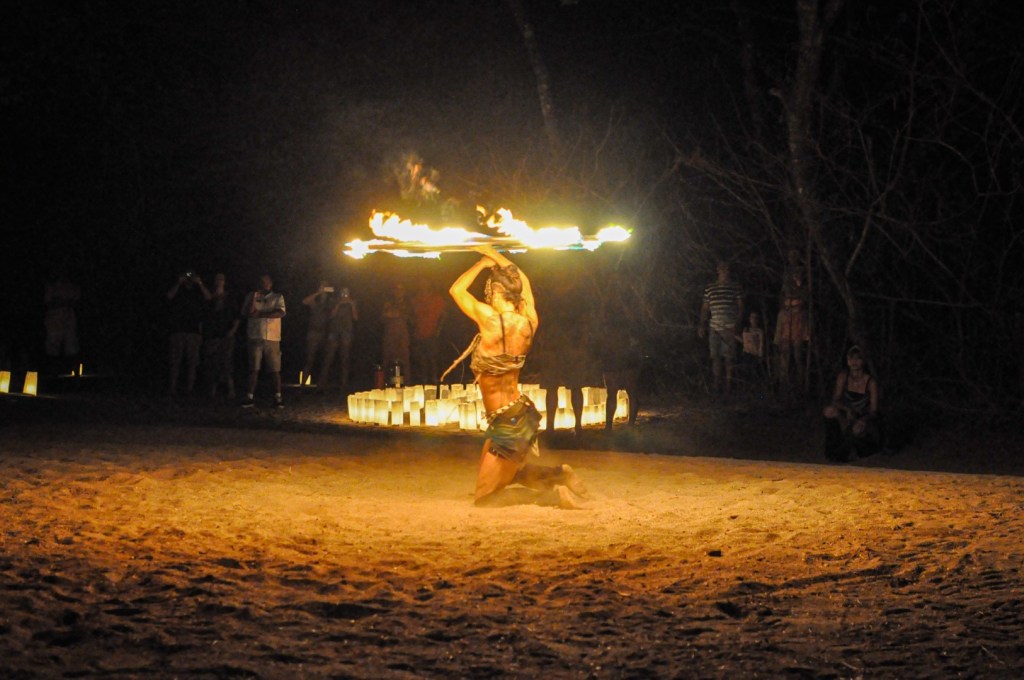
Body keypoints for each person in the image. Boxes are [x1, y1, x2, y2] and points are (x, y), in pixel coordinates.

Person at [445, 245, 588, 509]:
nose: (487, 295)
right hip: (519, 413)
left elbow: (456, 290)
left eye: (489, 290)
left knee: (485, 499)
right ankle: (558, 474)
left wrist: (482, 262)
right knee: (508, 473)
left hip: (508, 422)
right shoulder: (530, 321)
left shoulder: (489, 319)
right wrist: (495, 255)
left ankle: (552, 496)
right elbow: (525, 280)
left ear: (496, 291)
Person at [823, 345, 882, 461]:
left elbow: (874, 411)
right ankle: (831, 450)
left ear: (863, 361)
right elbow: (835, 399)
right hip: (847, 414)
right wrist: (847, 409)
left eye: (858, 358)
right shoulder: (843, 377)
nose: (854, 362)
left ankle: (847, 454)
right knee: (829, 411)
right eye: (851, 358)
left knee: (857, 428)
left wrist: (863, 419)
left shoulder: (870, 382)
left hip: (863, 417)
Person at [698, 261, 744, 395]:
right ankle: (716, 386)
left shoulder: (735, 287)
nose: (724, 270)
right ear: (717, 270)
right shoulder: (710, 288)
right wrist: (702, 324)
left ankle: (729, 387)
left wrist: (737, 324)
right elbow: (705, 308)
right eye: (721, 268)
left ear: (729, 270)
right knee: (716, 357)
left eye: (726, 268)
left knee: (729, 358)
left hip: (730, 327)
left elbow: (741, 307)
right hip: (714, 327)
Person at [241, 274, 286, 408]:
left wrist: (261, 314)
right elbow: (246, 312)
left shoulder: (277, 297)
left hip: (272, 337)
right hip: (255, 336)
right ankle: (249, 397)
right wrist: (254, 296)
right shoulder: (251, 296)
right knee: (253, 368)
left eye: (266, 282)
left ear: (271, 284)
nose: (263, 284)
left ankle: (278, 397)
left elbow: (280, 312)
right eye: (261, 282)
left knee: (275, 369)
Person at [166, 271, 211, 396]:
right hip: (178, 330)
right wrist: (178, 283)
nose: (189, 278)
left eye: (191, 276)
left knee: (192, 362)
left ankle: (189, 388)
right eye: (187, 276)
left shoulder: (198, 291)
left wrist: (200, 283)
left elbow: (208, 297)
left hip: (193, 331)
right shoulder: (179, 289)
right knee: (175, 361)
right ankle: (172, 387)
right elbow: (169, 296)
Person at [774, 248, 810, 393]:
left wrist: (799, 283)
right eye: (790, 255)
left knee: (797, 352)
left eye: (794, 254)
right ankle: (784, 384)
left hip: (797, 314)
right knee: (784, 351)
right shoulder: (786, 272)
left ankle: (801, 385)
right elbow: (783, 293)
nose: (792, 258)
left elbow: (805, 295)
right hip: (786, 313)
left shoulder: (803, 272)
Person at [202, 272, 240, 398]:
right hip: (213, 334)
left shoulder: (230, 298)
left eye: (221, 279)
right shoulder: (210, 298)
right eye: (217, 279)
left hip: (226, 334)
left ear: (224, 281)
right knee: (213, 362)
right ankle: (212, 390)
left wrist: (233, 330)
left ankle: (230, 389)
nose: (219, 281)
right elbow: (205, 314)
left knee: (226, 361)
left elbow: (236, 315)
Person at [320, 286, 359, 391]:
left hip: (346, 332)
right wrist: (339, 304)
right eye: (343, 292)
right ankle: (322, 383)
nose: (345, 294)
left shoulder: (353, 302)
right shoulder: (334, 301)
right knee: (328, 358)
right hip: (334, 332)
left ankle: (344, 385)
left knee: (345, 358)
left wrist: (351, 304)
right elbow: (331, 316)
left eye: (347, 292)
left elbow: (356, 317)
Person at [43, 272, 81, 376]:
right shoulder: (52, 286)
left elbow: (76, 300)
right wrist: (63, 302)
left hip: (68, 319)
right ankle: (53, 372)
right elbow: (48, 302)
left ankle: (74, 373)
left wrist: (62, 302)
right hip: (54, 320)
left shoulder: (71, 286)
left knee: (71, 346)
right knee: (53, 346)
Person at [410, 280, 447, 385]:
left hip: (433, 333)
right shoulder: (415, 300)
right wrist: (414, 328)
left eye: (425, 283)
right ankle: (424, 380)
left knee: (433, 357)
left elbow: (443, 315)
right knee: (422, 358)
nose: (423, 285)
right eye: (421, 283)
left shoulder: (437, 299)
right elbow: (411, 315)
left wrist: (438, 331)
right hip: (419, 333)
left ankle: (434, 379)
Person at [300, 280, 334, 386]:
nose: (324, 288)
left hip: (325, 333)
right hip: (313, 332)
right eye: (322, 286)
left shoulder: (330, 301)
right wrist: (318, 293)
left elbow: (333, 314)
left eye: (326, 287)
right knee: (309, 359)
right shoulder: (315, 300)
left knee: (325, 360)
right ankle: (303, 385)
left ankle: (321, 386)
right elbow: (304, 301)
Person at [380, 282, 411, 385]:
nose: (398, 292)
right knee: (388, 359)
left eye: (401, 290)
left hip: (402, 335)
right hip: (389, 334)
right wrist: (391, 314)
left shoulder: (407, 303)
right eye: (396, 289)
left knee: (403, 360)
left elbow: (407, 316)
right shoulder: (388, 303)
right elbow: (383, 317)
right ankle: (387, 383)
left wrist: (394, 314)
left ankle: (405, 384)